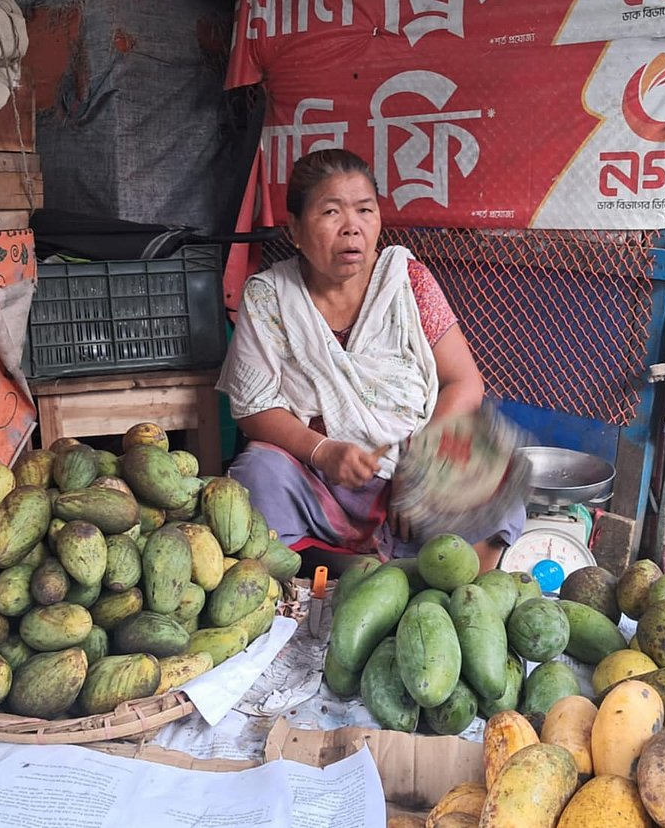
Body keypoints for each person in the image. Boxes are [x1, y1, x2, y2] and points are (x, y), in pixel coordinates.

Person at [217, 148, 523, 575]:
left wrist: (417, 467)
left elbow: (464, 383)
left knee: (489, 462)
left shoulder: (407, 281)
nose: (352, 229)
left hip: (415, 475)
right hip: (320, 481)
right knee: (258, 471)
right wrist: (323, 452)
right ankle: (330, 572)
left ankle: (455, 575)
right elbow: (254, 409)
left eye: (364, 210)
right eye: (330, 212)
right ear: (296, 230)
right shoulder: (269, 296)